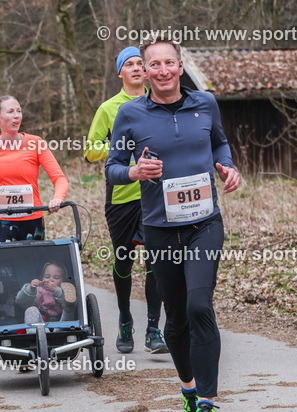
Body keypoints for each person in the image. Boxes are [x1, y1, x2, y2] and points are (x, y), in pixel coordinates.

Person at [106, 38, 242, 412]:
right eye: (154, 64)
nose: (163, 70)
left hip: (204, 223)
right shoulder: (130, 114)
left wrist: (226, 166)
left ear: (180, 67)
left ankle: (207, 405)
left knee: (201, 305)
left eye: (170, 63)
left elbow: (219, 140)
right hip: (159, 229)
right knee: (177, 318)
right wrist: (133, 173)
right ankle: (188, 389)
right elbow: (113, 166)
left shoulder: (206, 103)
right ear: (144, 71)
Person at [86, 46, 168, 355]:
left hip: (155, 194)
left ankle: (152, 329)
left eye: (139, 64)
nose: (136, 68)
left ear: (147, 72)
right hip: (121, 196)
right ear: (120, 73)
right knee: (124, 259)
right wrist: (118, 149)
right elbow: (89, 150)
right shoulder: (109, 109)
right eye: (129, 65)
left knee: (155, 264)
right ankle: (124, 319)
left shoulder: (159, 103)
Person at [0, 95, 69, 242]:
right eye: (10, 112)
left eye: (19, 111)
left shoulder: (36, 143)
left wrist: (58, 198)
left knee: (32, 264)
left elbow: (59, 178)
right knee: (2, 265)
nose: (16, 116)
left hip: (32, 219)